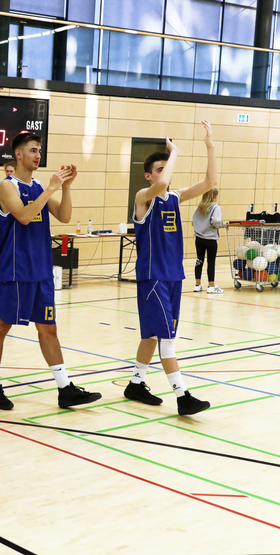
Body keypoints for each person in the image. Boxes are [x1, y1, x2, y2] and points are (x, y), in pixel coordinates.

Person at [0, 133, 101, 411]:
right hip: (15, 270)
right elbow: (24, 216)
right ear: (19, 155)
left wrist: (66, 188)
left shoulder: (38, 186)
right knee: (2, 325)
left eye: (40, 150)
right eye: (33, 150)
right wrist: (50, 188)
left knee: (49, 328)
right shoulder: (6, 186)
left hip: (41, 270)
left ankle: (65, 389)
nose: (38, 154)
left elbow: (63, 216)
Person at [125, 121, 217, 416]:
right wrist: (175, 151)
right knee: (166, 337)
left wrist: (210, 146)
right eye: (159, 169)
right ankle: (182, 396)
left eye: (167, 167)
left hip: (173, 275)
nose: (165, 174)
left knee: (152, 335)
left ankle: (136, 383)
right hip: (153, 276)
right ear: (148, 175)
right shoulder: (143, 197)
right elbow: (163, 184)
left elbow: (209, 183)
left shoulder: (175, 198)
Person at [192, 187, 226, 294]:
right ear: (215, 196)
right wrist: (223, 225)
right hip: (210, 238)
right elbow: (216, 221)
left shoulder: (200, 207)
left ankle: (197, 284)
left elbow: (193, 221)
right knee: (211, 261)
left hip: (199, 238)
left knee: (199, 260)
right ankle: (211, 285)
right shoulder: (215, 207)